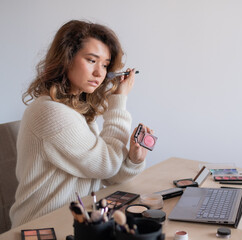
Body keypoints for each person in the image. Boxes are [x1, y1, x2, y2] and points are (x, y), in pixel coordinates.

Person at [10, 20, 150, 227]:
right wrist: (119, 102)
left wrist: (133, 160)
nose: (99, 73)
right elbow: (107, 165)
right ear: (66, 59)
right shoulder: (50, 112)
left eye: (104, 65)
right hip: (41, 226)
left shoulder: (78, 111)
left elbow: (111, 176)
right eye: (92, 60)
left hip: (75, 223)